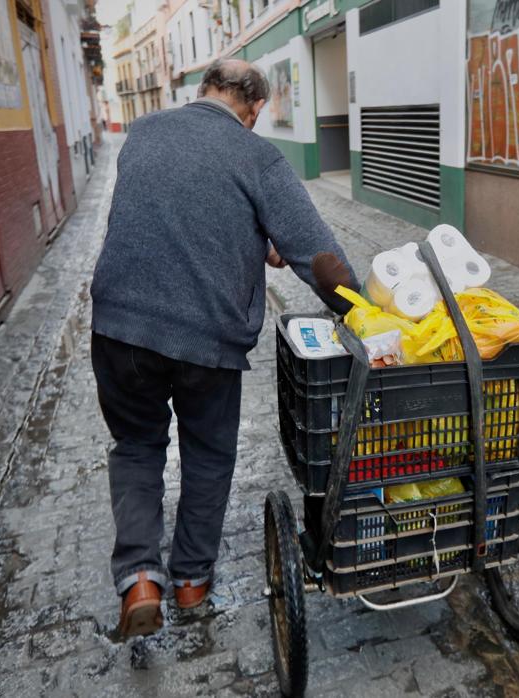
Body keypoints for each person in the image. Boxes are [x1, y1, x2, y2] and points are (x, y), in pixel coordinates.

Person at [90, 59, 356, 638]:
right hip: (204, 337)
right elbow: (318, 256)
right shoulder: (257, 156)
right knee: (208, 455)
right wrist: (365, 311)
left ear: (203, 90)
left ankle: (139, 579)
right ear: (254, 109)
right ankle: (189, 582)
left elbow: (165, 210)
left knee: (136, 447)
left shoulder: (146, 131)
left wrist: (248, 234)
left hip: (118, 326)